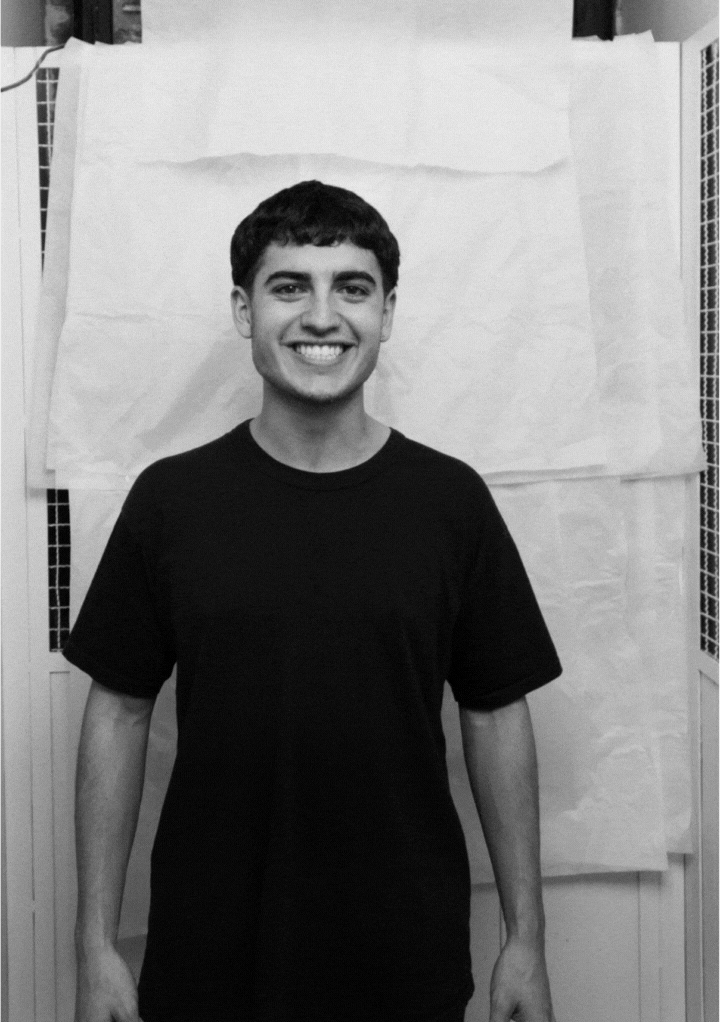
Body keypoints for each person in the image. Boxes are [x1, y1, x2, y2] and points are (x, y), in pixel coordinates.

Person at [67, 180, 562, 1022]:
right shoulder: (170, 502)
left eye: (353, 288)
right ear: (243, 310)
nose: (322, 317)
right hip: (209, 960)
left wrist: (526, 941)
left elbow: (493, 714)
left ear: (388, 313)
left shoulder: (450, 502)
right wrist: (95, 947)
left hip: (404, 960)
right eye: (290, 285)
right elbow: (117, 712)